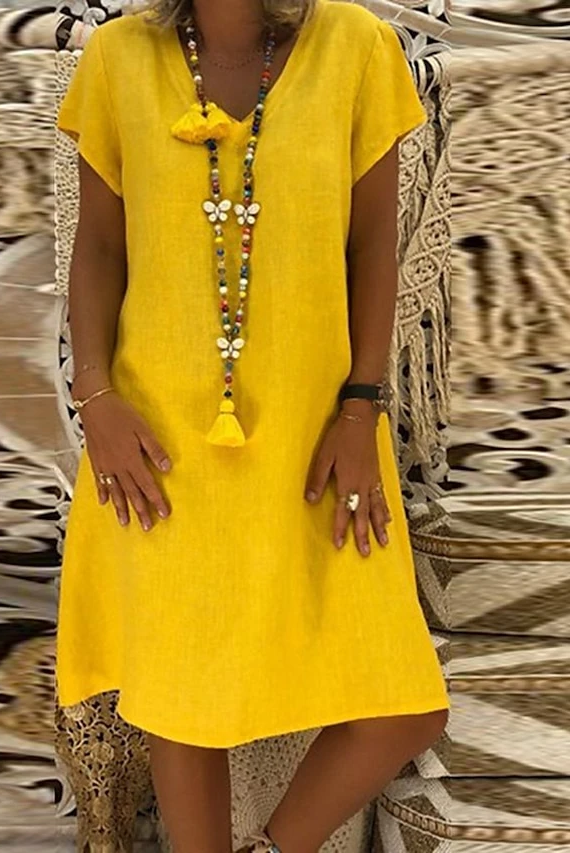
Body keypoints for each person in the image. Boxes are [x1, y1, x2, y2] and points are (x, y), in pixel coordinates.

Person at [55, 0, 450, 851]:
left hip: (321, 442)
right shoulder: (119, 57)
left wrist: (361, 405)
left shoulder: (357, 47)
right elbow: (100, 247)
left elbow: (373, 245)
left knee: (404, 704)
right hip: (156, 441)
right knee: (181, 692)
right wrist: (96, 399)